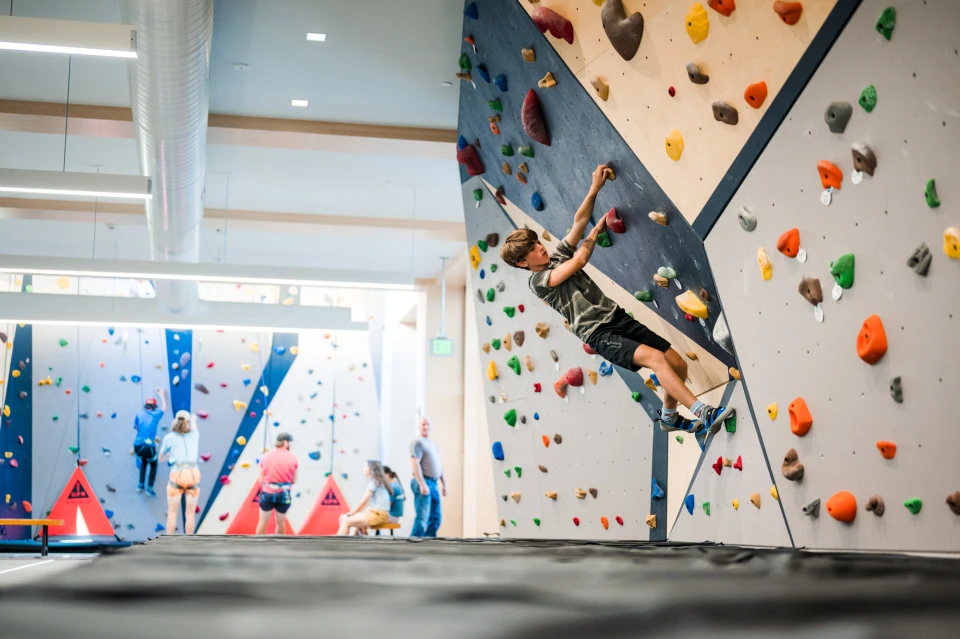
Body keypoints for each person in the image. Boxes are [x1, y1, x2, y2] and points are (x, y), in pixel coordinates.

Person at [499, 164, 735, 434]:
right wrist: (593, 234)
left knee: (677, 363)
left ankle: (669, 417)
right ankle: (703, 412)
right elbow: (579, 261)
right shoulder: (538, 281)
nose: (540, 247)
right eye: (532, 249)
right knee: (656, 359)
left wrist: (594, 190)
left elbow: (578, 221)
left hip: (616, 317)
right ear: (521, 262)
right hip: (599, 332)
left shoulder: (555, 257)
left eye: (536, 242)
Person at [159, 410, 201, 535]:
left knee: (172, 513)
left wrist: (169, 456)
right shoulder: (195, 435)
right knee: (190, 513)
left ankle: (169, 544)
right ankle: (188, 543)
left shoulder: (169, 438)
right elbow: (194, 425)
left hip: (177, 474)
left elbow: (161, 458)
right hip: (193, 474)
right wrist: (193, 419)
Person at [409, 417, 446, 537]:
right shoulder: (417, 442)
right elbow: (415, 462)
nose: (425, 427)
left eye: (427, 424)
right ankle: (412, 546)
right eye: (423, 424)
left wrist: (444, 484)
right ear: (419, 427)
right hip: (423, 481)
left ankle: (428, 545)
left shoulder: (432, 444)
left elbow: (439, 466)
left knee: (436, 518)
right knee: (422, 518)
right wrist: (421, 483)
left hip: (434, 483)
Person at [256, 432, 298, 535]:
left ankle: (258, 547)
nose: (291, 445)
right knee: (280, 522)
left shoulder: (265, 456)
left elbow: (260, 480)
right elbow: (293, 480)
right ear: (285, 442)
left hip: (268, 492)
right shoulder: (293, 457)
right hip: (284, 494)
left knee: (263, 521)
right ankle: (279, 548)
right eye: (290, 442)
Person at [337, 460, 392, 535]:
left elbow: (363, 503)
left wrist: (350, 514)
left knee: (346, 521)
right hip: (379, 514)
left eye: (365, 466)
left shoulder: (373, 482)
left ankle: (337, 545)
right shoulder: (377, 482)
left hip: (378, 515)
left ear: (371, 469)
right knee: (354, 521)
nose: (363, 468)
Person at [133, 388, 167, 496]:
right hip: (149, 446)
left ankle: (140, 485)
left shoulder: (139, 414)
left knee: (143, 462)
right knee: (153, 464)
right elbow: (164, 408)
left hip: (138, 445)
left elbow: (137, 428)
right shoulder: (156, 414)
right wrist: (161, 395)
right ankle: (149, 488)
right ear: (154, 407)